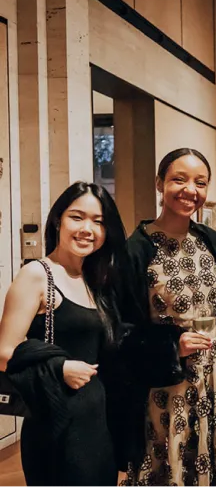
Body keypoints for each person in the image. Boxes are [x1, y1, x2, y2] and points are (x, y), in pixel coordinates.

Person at [123, 148, 216, 486]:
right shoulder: (137, 247)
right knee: (174, 455)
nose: (191, 190)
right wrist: (172, 345)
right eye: (179, 179)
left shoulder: (210, 239)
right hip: (172, 378)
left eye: (200, 183)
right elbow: (125, 326)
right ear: (159, 183)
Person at [0, 182, 127, 486]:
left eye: (98, 221)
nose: (88, 229)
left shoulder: (95, 280)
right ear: (58, 220)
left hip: (96, 424)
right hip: (55, 423)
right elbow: (5, 352)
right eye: (77, 217)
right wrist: (60, 368)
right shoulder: (36, 275)